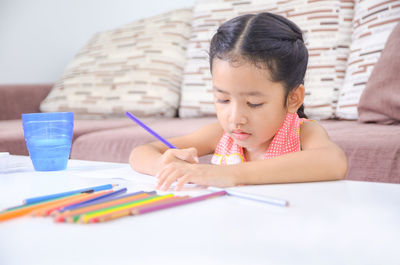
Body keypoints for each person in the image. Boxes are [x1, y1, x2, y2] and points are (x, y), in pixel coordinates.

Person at [129, 12, 347, 191]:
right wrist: (166, 165)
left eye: (253, 103)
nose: (235, 118)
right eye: (223, 99)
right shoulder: (219, 136)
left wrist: (228, 174)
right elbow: (140, 153)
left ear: (293, 99)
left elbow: (334, 161)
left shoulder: (302, 134)